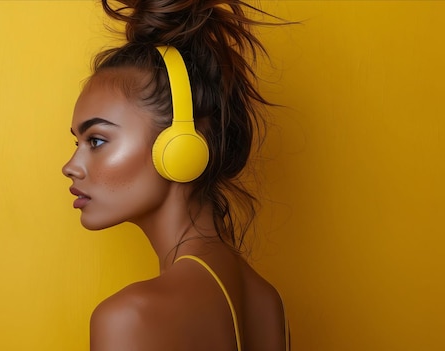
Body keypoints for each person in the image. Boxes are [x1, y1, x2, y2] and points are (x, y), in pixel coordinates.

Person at [62, 0, 288, 350]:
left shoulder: (129, 318)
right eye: (77, 142)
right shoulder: (268, 302)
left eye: (96, 140)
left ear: (179, 146)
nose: (70, 166)